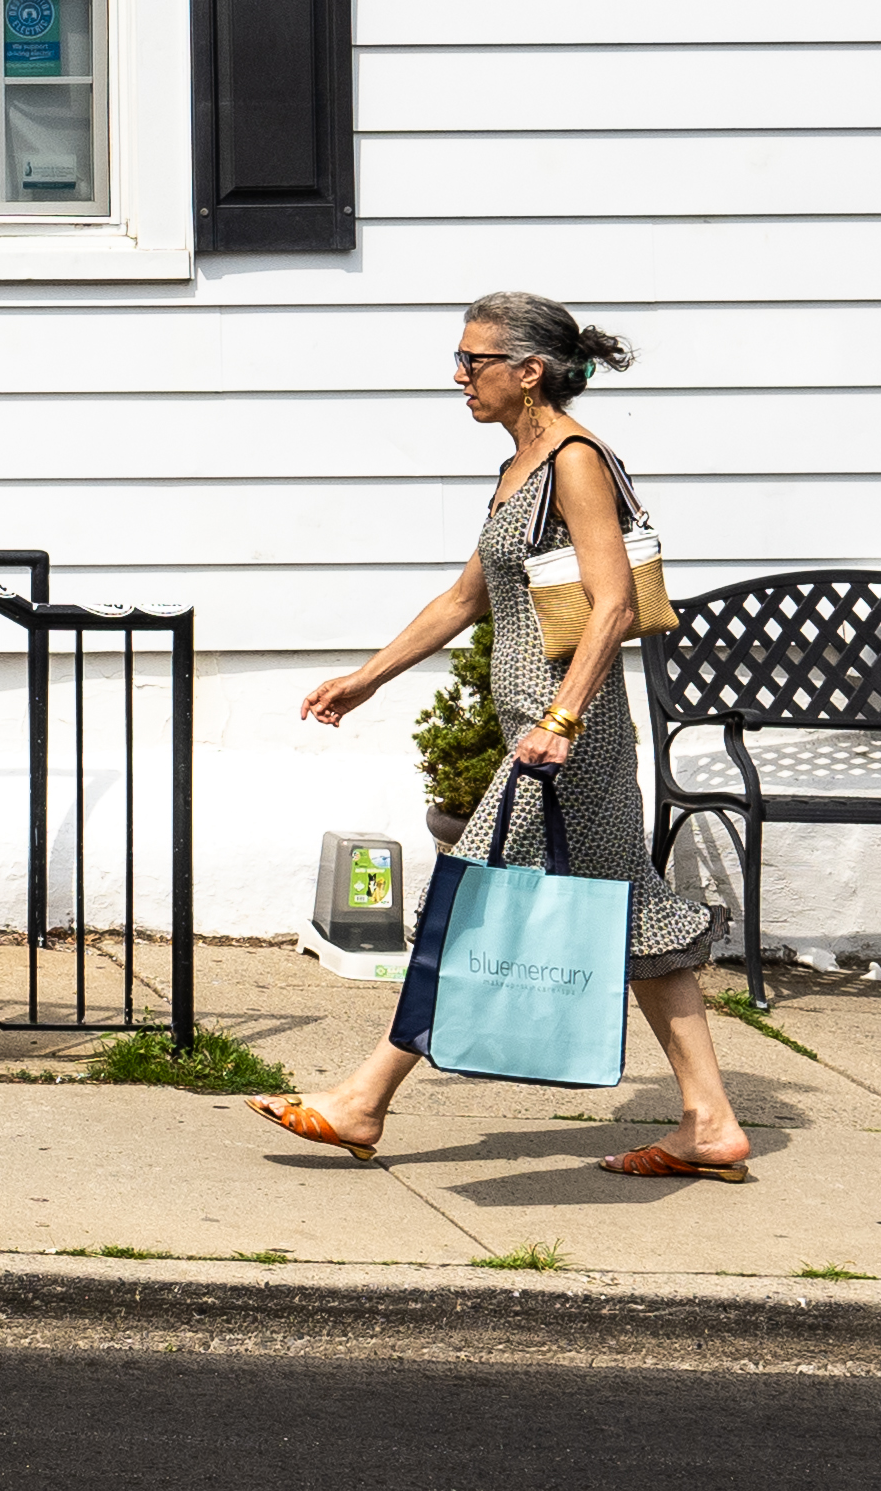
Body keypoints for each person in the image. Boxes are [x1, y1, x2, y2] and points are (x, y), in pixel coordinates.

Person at [252, 293, 751, 1179]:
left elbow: (615, 603)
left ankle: (364, 1100)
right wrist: (366, 678)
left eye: (472, 360)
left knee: (464, 907)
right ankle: (709, 1121)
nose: (458, 376)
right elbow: (463, 598)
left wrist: (561, 719)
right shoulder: (520, 466)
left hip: (566, 741)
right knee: (638, 918)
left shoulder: (575, 462)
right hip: (542, 733)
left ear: (528, 370)